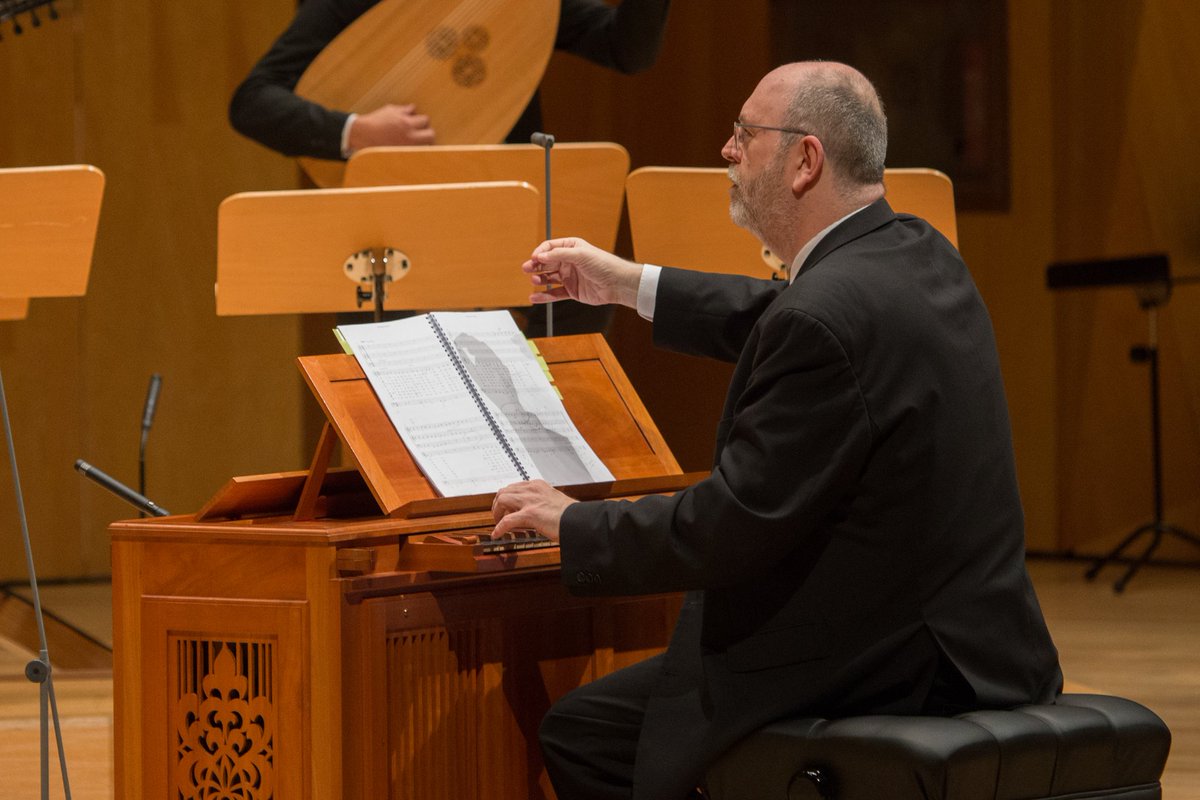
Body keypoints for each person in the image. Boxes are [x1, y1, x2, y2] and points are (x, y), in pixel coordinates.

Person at [490, 61, 1063, 800]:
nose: (727, 152)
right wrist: (628, 285)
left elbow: (727, 528)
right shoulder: (918, 254)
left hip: (893, 659)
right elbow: (782, 317)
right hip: (979, 639)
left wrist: (575, 526)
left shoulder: (823, 317)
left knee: (588, 733)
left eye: (743, 134)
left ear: (805, 160)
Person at [229, 0, 671, 336]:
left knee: (581, 294)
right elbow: (254, 102)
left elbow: (626, 50)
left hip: (504, 214)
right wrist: (356, 131)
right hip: (398, 229)